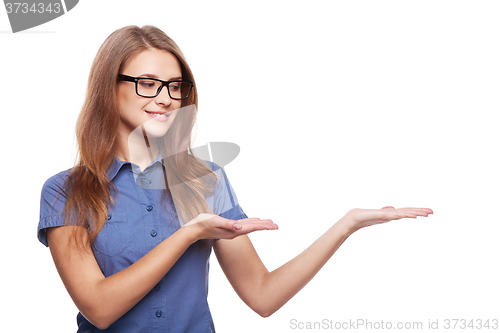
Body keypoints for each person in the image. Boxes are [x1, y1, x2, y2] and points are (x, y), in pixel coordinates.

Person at [37, 25, 433, 333]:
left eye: (176, 87)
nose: (165, 98)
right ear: (110, 88)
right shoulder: (66, 191)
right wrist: (188, 234)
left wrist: (346, 225)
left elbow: (262, 295)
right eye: (147, 83)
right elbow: (100, 309)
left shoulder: (204, 179)